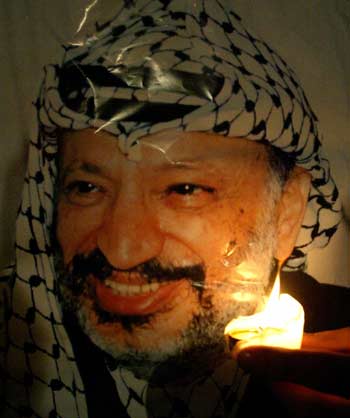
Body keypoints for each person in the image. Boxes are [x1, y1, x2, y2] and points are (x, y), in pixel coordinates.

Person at [0, 1, 349, 417]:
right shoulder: (18, 336)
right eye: (87, 187)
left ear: (287, 211)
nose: (123, 249)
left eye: (184, 189)